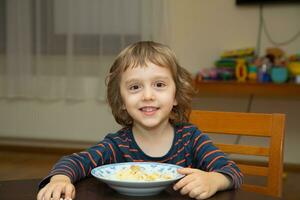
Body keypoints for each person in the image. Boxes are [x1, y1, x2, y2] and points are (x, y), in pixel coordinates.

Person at [37, 41, 243, 200]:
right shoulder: (117, 145)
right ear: (122, 101)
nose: (147, 96)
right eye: (135, 87)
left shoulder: (191, 139)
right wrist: (60, 179)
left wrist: (213, 180)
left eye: (159, 84)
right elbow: (73, 162)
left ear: (176, 96)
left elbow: (231, 171)